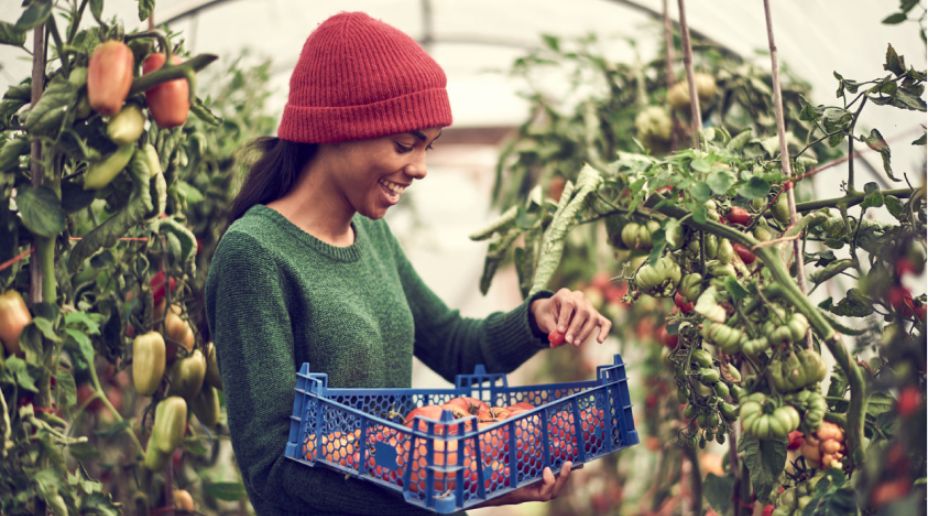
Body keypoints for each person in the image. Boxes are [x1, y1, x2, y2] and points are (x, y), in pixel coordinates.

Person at [205, 11, 613, 515]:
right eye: (404, 144)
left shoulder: (371, 233)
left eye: (427, 146)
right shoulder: (255, 256)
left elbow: (453, 345)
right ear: (336, 129)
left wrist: (536, 318)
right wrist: (453, 487)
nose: (420, 167)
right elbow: (274, 474)